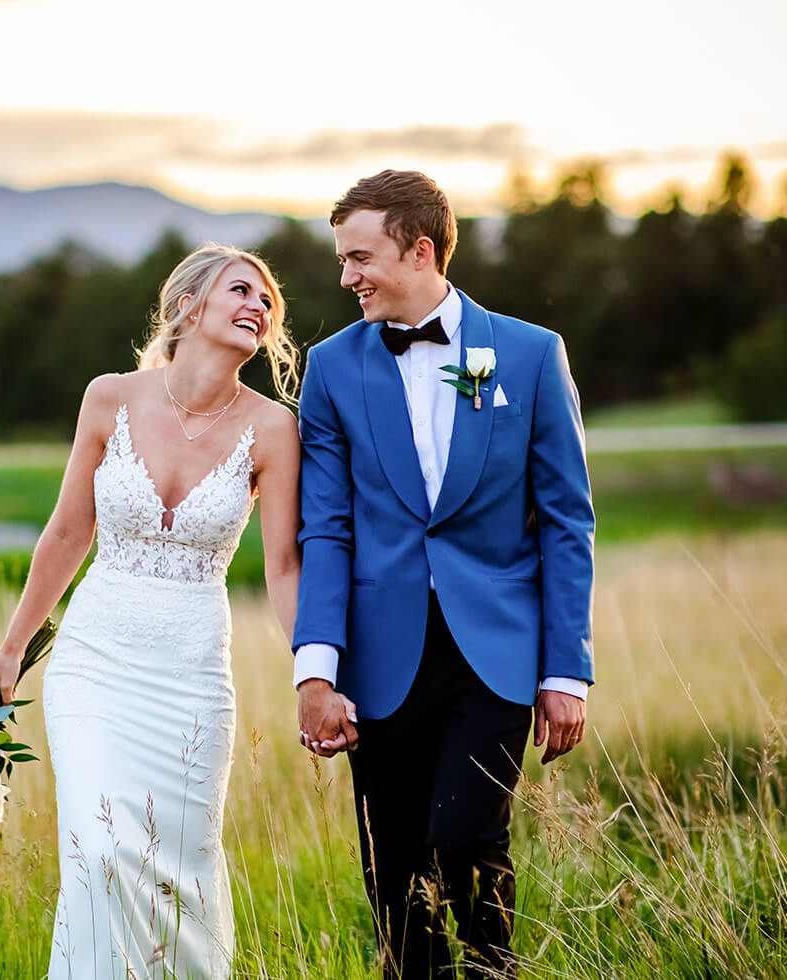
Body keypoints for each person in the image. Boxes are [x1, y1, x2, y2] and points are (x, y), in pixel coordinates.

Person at [0, 243, 317, 979]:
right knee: (97, 848)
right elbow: (68, 532)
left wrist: (313, 674)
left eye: (268, 302)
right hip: (94, 663)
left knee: (178, 875)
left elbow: (285, 569)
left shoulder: (274, 430)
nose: (259, 306)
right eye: (241, 290)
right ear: (186, 306)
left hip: (192, 677)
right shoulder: (110, 398)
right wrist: (10, 650)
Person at [292, 170, 595, 978]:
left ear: (420, 249)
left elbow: (568, 521)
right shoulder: (329, 368)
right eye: (343, 258)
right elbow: (325, 529)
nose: (346, 276)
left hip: (493, 654)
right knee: (394, 876)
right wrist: (314, 671)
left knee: (465, 843)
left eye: (360, 257)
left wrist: (567, 669)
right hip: (377, 659)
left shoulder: (530, 356)